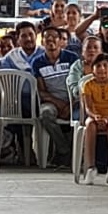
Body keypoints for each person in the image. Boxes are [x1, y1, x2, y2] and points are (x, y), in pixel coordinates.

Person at [29, 26, 75, 166]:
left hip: (73, 100)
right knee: (45, 113)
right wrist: (59, 104)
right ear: (42, 42)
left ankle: (76, 154)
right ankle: (63, 150)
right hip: (52, 101)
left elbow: (78, 85)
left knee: (80, 115)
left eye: (54, 37)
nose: (50, 40)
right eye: (46, 37)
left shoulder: (72, 58)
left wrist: (70, 104)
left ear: (61, 40)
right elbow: (41, 91)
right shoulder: (37, 62)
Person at [81, 53, 108, 185]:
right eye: (98, 65)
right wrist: (95, 116)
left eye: (105, 65)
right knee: (90, 125)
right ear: (92, 69)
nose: (102, 68)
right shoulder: (88, 85)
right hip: (95, 115)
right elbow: (88, 107)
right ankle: (91, 167)